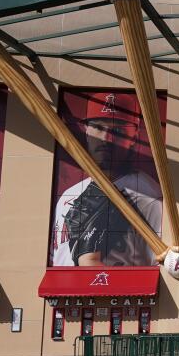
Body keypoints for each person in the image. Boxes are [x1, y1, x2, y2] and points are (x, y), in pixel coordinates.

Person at [51, 92, 163, 266]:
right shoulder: (70, 194)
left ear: (133, 136)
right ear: (87, 131)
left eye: (117, 131)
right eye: (98, 128)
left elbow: (158, 265)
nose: (106, 138)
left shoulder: (149, 196)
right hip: (61, 292)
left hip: (119, 292)